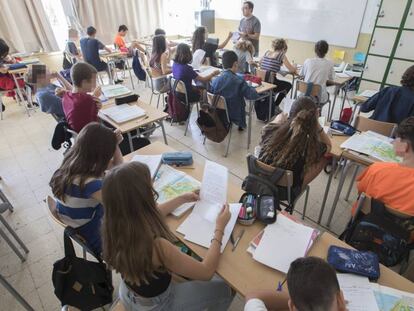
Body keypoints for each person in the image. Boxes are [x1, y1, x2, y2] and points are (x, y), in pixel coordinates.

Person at [101, 161, 233, 310]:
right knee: (224, 288)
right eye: (150, 187)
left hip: (129, 293)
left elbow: (151, 215)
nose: (153, 187)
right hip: (160, 303)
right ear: (143, 199)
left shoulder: (112, 226)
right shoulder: (159, 247)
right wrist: (220, 228)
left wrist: (182, 198)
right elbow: (206, 272)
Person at [49, 122, 124, 255]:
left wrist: (115, 144)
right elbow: (120, 206)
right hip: (94, 234)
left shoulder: (72, 161)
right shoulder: (90, 185)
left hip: (75, 221)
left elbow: (116, 168)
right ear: (100, 157)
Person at [259, 97, 331, 192]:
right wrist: (317, 124)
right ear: (314, 118)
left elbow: (265, 129)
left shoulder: (271, 130)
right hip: (285, 192)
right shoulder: (312, 145)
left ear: (290, 113)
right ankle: (301, 186)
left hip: (262, 181)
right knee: (325, 158)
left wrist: (277, 121)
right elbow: (329, 145)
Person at [356, 116, 414, 216]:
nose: (393, 141)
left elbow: (361, 192)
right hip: (404, 231)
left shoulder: (377, 169)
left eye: (396, 138)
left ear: (406, 146)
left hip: (367, 224)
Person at [244, 257, 346, 311]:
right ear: (340, 299)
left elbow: (252, 297)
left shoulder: (293, 304)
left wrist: (300, 300)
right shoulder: (341, 303)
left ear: (291, 306)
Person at [211, 50, 259, 130]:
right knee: (241, 101)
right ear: (235, 64)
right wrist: (252, 88)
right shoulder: (239, 81)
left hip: (218, 112)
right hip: (234, 113)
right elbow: (252, 95)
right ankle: (240, 125)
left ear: (222, 64)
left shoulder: (215, 80)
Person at [62, 62, 102, 133]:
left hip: (80, 136)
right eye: (94, 81)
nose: (95, 84)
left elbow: (88, 115)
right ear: (84, 82)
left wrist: (95, 104)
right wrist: (94, 97)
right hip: (91, 136)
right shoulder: (87, 99)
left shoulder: (66, 96)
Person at [260, 38, 297, 107]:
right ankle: (275, 105)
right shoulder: (281, 55)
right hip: (271, 84)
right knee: (288, 85)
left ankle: (272, 98)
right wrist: (294, 66)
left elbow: (260, 63)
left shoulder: (267, 52)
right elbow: (292, 70)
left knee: (279, 82)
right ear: (283, 48)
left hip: (261, 82)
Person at [300, 40, 335, 104]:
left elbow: (301, 75)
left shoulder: (308, 61)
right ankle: (318, 111)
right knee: (325, 92)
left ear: (315, 50)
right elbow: (332, 79)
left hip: (304, 95)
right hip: (319, 97)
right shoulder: (330, 63)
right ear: (326, 51)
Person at [0, 39, 26, 104]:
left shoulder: (2, 56)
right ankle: (23, 91)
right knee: (21, 78)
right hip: (5, 82)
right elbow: (3, 71)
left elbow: (9, 59)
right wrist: (4, 67)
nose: (3, 56)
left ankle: (23, 91)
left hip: (9, 80)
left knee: (21, 73)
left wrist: (11, 59)